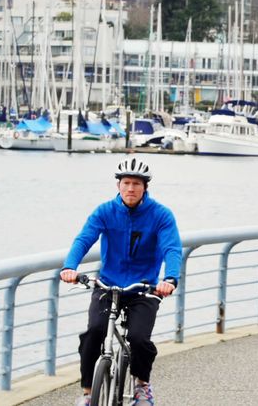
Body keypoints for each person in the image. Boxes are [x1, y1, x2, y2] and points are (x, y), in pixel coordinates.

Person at [60, 157, 182, 406]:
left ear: (145, 187)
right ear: (118, 185)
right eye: (126, 183)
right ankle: (86, 393)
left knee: (139, 339)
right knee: (94, 332)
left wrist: (170, 279)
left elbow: (172, 249)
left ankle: (142, 386)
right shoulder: (105, 211)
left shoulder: (161, 215)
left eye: (136, 184)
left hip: (144, 287)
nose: (131, 189)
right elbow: (84, 239)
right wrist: (70, 267)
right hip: (108, 284)